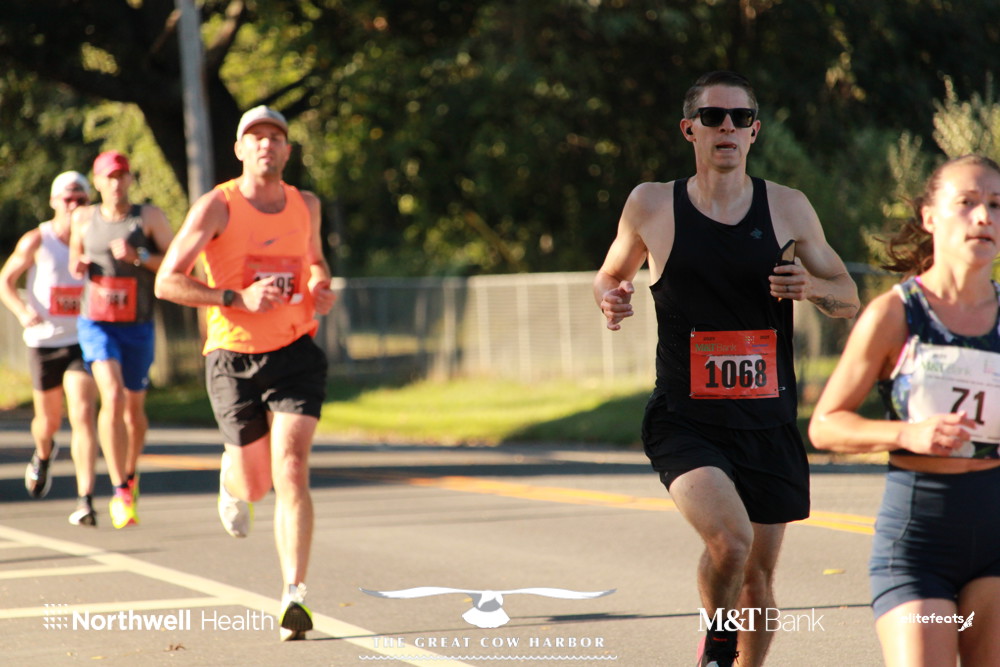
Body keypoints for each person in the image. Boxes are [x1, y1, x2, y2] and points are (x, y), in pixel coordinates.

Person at [593, 71, 860, 667]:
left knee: (757, 580)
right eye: (713, 117)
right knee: (730, 541)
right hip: (685, 417)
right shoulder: (651, 203)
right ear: (689, 129)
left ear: (754, 131)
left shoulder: (788, 207)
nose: (727, 128)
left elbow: (849, 296)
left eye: (741, 118)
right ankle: (718, 647)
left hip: (767, 420)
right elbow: (611, 273)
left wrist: (811, 287)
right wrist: (610, 296)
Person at [809, 154, 1000, 667]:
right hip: (920, 543)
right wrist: (908, 435)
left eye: (996, 205)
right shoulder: (896, 312)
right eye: (967, 202)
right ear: (930, 217)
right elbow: (825, 425)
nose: (984, 217)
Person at [154, 106, 336, 641]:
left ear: (287, 150)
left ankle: (294, 594)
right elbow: (167, 281)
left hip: (295, 350)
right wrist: (236, 297)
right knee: (256, 485)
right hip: (232, 357)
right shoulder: (218, 205)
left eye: (276, 137)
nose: (266, 145)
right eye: (255, 137)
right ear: (239, 150)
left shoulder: (306, 204)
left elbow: (315, 260)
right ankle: (231, 476)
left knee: (291, 467)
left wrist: (320, 285)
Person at [68, 151, 174, 529]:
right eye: (109, 177)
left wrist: (139, 255)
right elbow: (75, 257)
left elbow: (176, 263)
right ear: (97, 182)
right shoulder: (83, 218)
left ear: (130, 180)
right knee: (111, 396)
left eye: (122, 176)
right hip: (97, 324)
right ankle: (119, 489)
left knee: (134, 411)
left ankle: (129, 474)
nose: (116, 183)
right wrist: (78, 264)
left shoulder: (148, 217)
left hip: (138, 325)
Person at [0, 171, 100, 525]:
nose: (73, 205)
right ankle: (44, 453)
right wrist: (22, 311)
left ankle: (85, 499)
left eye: (80, 199)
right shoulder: (37, 240)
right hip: (44, 342)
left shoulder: (95, 238)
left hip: (82, 340)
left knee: (83, 412)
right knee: (48, 422)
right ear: (54, 201)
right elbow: (5, 280)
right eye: (67, 199)